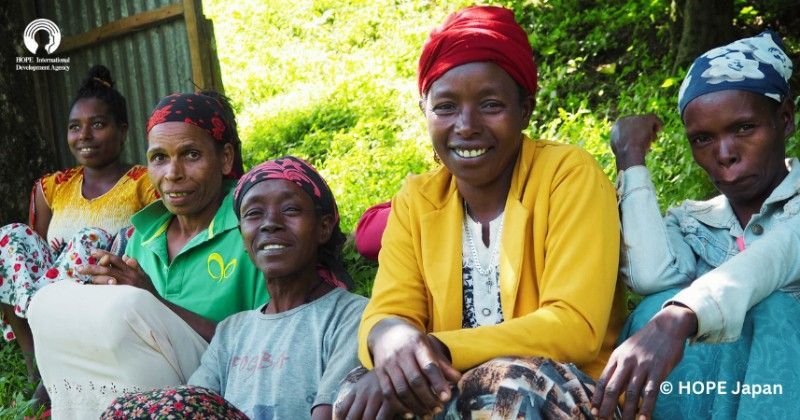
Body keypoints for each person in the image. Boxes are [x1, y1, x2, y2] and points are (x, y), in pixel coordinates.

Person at [335, 6, 626, 419]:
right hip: (454, 385)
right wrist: (388, 338)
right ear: (424, 111)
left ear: (525, 109)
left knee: (510, 386)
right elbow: (389, 309)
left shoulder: (568, 175)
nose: (466, 126)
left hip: (568, 394)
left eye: (491, 105)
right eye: (446, 107)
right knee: (360, 393)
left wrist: (440, 348)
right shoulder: (417, 200)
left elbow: (575, 326)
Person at [592, 31, 800, 419]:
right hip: (715, 397)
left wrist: (681, 316)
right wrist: (631, 159)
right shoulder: (695, 223)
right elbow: (651, 278)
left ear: (784, 119)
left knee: (772, 310)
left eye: (743, 128)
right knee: (654, 307)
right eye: (703, 138)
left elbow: (775, 257)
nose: (724, 154)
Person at [27, 91, 268, 418]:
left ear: (225, 158)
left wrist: (153, 301)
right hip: (137, 388)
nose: (173, 173)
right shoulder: (143, 234)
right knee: (46, 303)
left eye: (191, 155)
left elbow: (268, 345)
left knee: (130, 306)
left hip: (218, 383)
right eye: (159, 158)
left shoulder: (252, 232)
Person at [101, 156, 367, 419]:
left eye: (290, 210)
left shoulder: (352, 316)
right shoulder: (232, 331)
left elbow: (332, 413)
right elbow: (194, 404)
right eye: (254, 214)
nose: (270, 223)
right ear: (242, 236)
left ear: (323, 228)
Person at [0, 64, 158, 402]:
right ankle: (37, 364)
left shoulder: (143, 182)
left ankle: (50, 341)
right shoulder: (53, 187)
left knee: (90, 238)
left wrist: (81, 245)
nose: (84, 135)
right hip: (48, 291)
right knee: (11, 234)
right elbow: (35, 254)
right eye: (75, 127)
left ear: (123, 130)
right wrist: (59, 255)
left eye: (98, 124)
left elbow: (150, 241)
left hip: (104, 287)